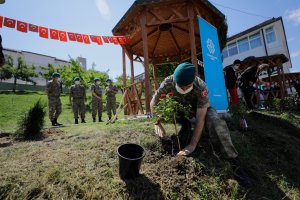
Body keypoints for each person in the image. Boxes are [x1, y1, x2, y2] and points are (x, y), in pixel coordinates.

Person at [150, 62, 252, 187]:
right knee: (170, 113)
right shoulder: (168, 82)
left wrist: (192, 145)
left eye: (185, 86)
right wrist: (157, 122)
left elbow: (200, 118)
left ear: (192, 81)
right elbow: (154, 101)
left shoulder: (201, 87)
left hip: (198, 110)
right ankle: (186, 128)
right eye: (179, 86)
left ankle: (234, 162)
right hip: (179, 110)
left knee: (215, 122)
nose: (182, 89)